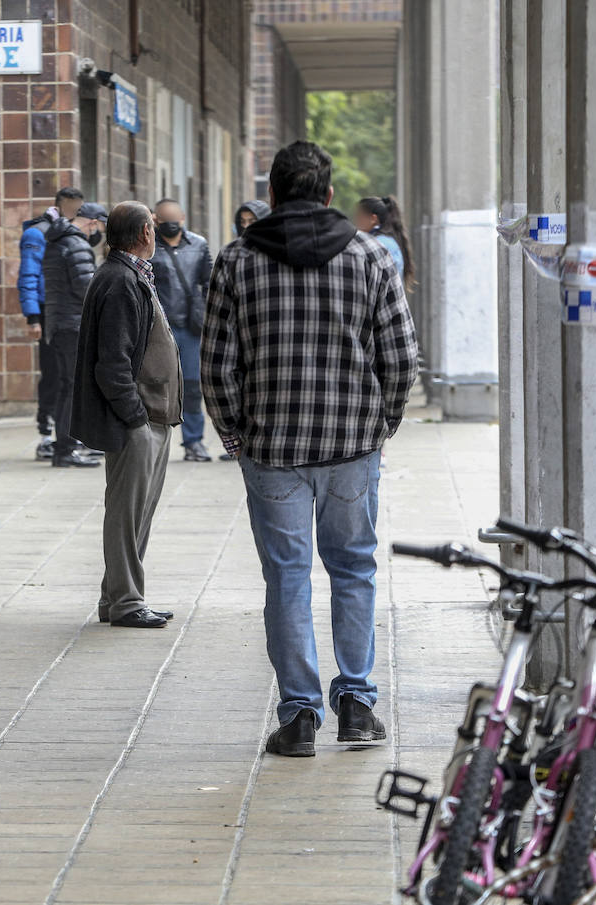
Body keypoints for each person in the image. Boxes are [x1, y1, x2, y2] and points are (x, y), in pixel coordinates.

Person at [201, 140, 418, 758]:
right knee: (353, 569)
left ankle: (299, 715)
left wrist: (238, 434)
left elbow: (216, 367)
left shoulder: (237, 260)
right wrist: (381, 424)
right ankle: (356, 703)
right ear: (327, 195)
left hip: (272, 449)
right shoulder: (371, 256)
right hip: (351, 444)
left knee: (287, 578)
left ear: (271, 194)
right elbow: (401, 360)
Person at [71, 201, 182, 630]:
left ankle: (117, 596)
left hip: (154, 415)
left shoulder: (129, 273)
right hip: (138, 419)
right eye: (152, 226)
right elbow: (112, 364)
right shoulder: (120, 279)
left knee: (138, 512)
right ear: (144, 234)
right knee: (126, 513)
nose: (157, 232)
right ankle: (126, 602)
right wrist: (134, 417)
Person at [20, 187, 85, 459]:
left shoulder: (68, 232)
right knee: (52, 376)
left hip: (65, 311)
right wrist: (33, 317)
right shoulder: (39, 232)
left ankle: (65, 434)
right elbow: (29, 276)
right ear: (64, 205)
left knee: (67, 377)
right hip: (49, 313)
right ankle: (46, 434)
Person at [42, 201, 108, 468]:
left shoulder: (58, 241)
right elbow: (86, 288)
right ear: (92, 222)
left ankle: (65, 447)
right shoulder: (77, 244)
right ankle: (66, 449)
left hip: (59, 323)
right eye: (100, 225)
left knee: (66, 387)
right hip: (72, 325)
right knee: (73, 389)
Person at [149, 199, 214, 463]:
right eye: (164, 219)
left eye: (175, 218)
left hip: (190, 326)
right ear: (156, 220)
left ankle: (194, 441)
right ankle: (152, 441)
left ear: (183, 218)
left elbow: (209, 281)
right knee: (154, 385)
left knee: (191, 385)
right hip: (158, 326)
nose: (171, 223)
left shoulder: (198, 244)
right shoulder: (150, 245)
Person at [354, 195, 415, 285]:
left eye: (359, 217)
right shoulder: (387, 241)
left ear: (373, 219)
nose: (356, 222)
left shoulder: (378, 244)